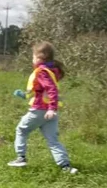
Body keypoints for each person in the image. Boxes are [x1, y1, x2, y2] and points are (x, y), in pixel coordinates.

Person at [9, 41, 77, 174]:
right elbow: (41, 90)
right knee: (53, 140)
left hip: (41, 110)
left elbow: (51, 89)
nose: (32, 59)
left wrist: (51, 107)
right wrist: (25, 95)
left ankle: (20, 157)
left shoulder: (42, 72)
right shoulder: (52, 70)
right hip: (50, 113)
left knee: (21, 130)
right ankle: (65, 166)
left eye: (33, 56)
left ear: (40, 57)